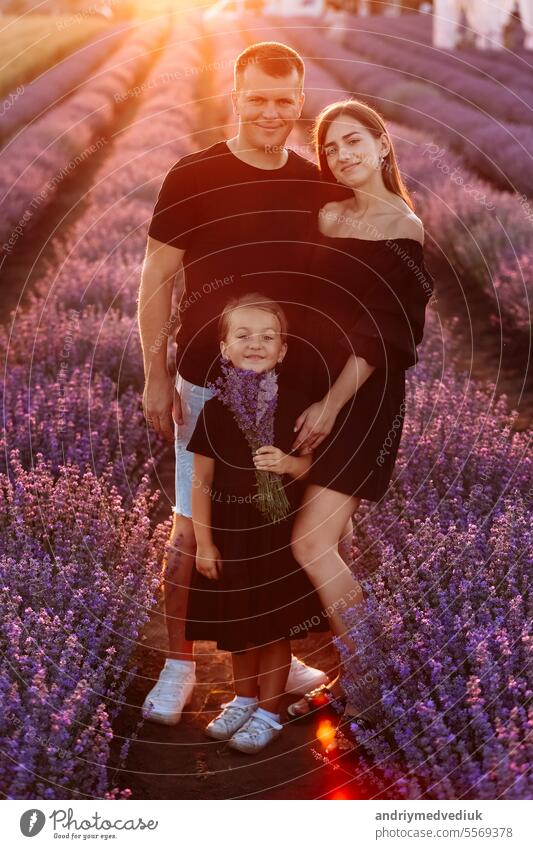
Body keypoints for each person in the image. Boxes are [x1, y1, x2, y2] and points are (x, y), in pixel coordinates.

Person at [138, 42, 345, 724]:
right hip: (204, 380)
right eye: (257, 97)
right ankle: (178, 665)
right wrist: (154, 376)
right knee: (189, 523)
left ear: (300, 101)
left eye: (284, 100)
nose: (271, 112)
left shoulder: (314, 181)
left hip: (286, 391)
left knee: (270, 530)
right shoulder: (194, 174)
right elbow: (156, 279)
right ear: (235, 94)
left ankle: (270, 667)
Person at [286, 99, 434, 725]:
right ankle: (350, 675)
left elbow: (387, 335)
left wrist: (329, 404)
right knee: (330, 538)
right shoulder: (325, 214)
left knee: (312, 543)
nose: (341, 156)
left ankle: (376, 685)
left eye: (353, 141)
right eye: (329, 147)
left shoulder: (401, 225)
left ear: (381, 145)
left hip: (360, 398)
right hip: (306, 389)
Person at [185, 293, 328, 753]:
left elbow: (317, 469)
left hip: (277, 536)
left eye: (268, 337)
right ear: (224, 347)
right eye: (242, 335)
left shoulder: (297, 405)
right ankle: (243, 698)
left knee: (274, 627)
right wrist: (204, 543)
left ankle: (269, 710)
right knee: (239, 626)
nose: (255, 344)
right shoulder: (214, 410)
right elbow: (201, 482)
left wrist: (288, 465)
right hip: (231, 534)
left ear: (283, 350)